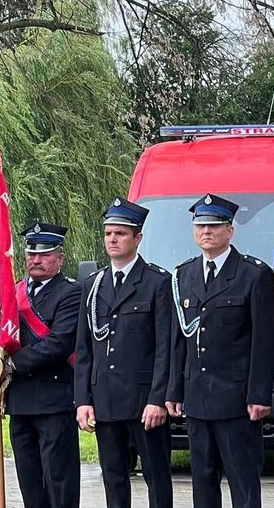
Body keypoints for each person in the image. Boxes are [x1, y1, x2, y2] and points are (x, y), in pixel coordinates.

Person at [166, 194, 274, 508]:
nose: (206, 231)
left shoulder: (253, 274)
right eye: (200, 225)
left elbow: (264, 341)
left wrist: (259, 395)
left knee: (243, 481)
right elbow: (178, 341)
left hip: (236, 400)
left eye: (214, 225)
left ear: (230, 231)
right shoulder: (183, 275)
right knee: (203, 481)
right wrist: (174, 390)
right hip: (197, 398)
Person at [75, 197, 174, 508]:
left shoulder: (157, 281)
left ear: (137, 238)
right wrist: (83, 400)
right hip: (105, 398)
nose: (112, 239)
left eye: (120, 233)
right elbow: (84, 349)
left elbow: (165, 348)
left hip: (143, 401)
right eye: (108, 233)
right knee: (114, 477)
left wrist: (158, 399)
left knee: (157, 477)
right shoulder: (93, 284)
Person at [4, 222, 81, 508]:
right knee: (30, 484)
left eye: (45, 254)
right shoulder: (14, 292)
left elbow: (58, 343)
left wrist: (12, 364)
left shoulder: (71, 292)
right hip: (20, 403)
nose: (36, 260)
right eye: (31, 254)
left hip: (54, 402)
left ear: (60, 258)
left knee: (60, 483)